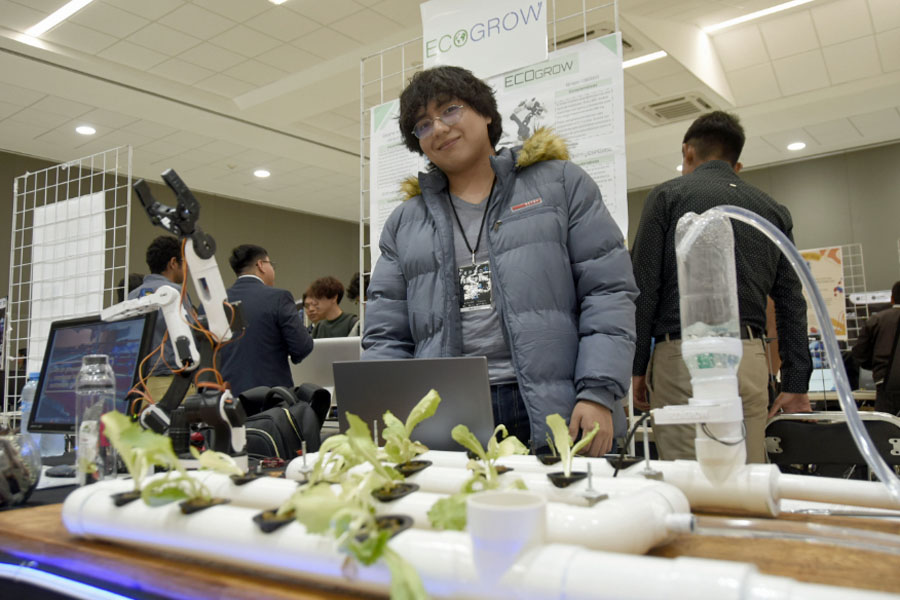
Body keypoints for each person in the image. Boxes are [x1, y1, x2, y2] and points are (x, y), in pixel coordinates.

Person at [362, 65, 637, 455]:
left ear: (486, 112)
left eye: (450, 110)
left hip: (558, 405)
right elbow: (387, 334)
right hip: (447, 414)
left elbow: (608, 292)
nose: (438, 128)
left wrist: (598, 391)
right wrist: (385, 420)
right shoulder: (405, 222)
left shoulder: (560, 184)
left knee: (569, 514)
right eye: (423, 125)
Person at [631, 110, 812, 463]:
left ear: (687, 152)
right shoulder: (771, 210)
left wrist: (637, 366)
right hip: (751, 361)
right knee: (746, 479)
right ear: (737, 164)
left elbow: (644, 288)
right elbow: (792, 300)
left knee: (692, 484)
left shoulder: (667, 197)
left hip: (682, 358)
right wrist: (796, 382)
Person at [218, 245, 313, 401]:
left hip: (225, 400)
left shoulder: (214, 303)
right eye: (271, 265)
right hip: (270, 399)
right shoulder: (279, 298)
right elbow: (302, 347)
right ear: (261, 265)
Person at [129, 236, 195, 402]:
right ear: (173, 263)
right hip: (171, 383)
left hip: (139, 385)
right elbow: (192, 332)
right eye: (184, 262)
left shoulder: (132, 295)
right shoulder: (174, 293)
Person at [852, 281, 900, 415]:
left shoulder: (876, 320)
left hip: (885, 382)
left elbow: (859, 353)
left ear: (891, 299)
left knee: (887, 428)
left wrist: (873, 366)